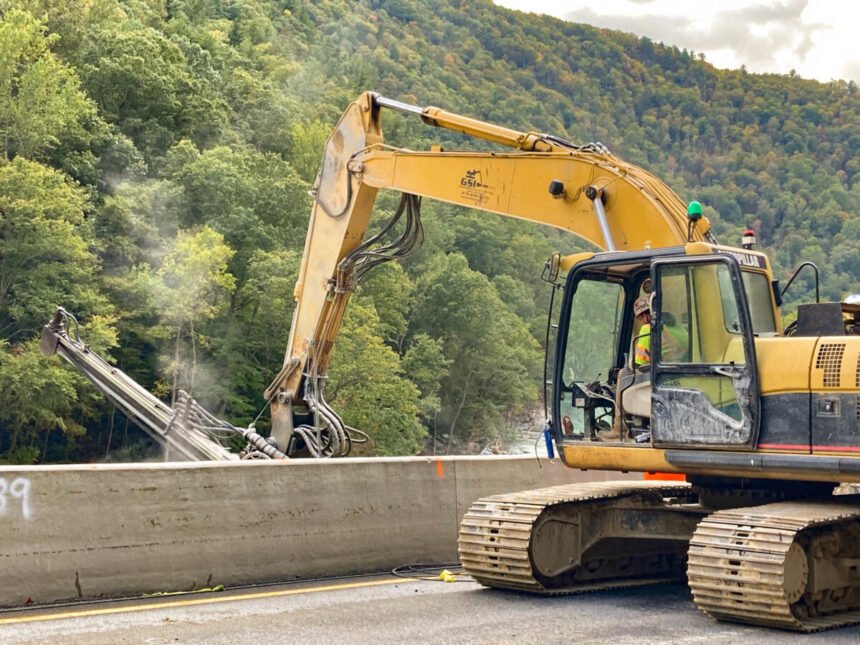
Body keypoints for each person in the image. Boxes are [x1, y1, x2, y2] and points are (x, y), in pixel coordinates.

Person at [633, 296, 687, 366]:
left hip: (664, 371)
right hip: (684, 367)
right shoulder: (676, 325)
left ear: (645, 316)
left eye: (640, 318)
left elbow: (640, 361)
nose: (642, 321)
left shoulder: (647, 329)